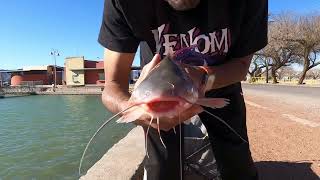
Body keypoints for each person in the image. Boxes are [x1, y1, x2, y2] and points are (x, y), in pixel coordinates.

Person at [98, 0, 268, 179]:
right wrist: (127, 106)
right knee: (162, 169)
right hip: (154, 84)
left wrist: (204, 77)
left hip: (220, 80)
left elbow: (241, 66)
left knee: (237, 163)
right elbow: (112, 86)